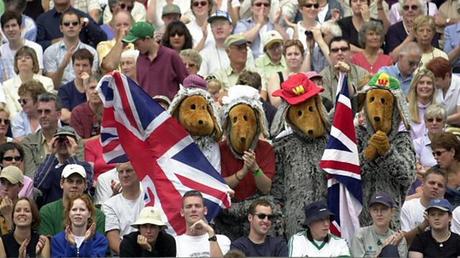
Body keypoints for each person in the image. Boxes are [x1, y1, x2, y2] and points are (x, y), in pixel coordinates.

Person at [22, 93, 84, 177]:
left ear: (58, 115)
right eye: (40, 112)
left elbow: (81, 173)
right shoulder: (28, 142)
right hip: (40, 188)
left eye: (47, 111)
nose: (43, 115)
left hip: (70, 186)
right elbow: (31, 177)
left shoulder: (72, 137)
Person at [122, 21, 188, 100]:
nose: (135, 48)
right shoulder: (140, 59)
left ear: (147, 39)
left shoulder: (171, 56)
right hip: (147, 110)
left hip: (168, 109)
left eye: (137, 43)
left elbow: (187, 83)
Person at [38, 163, 105, 237]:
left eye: (79, 182)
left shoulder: (97, 215)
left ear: (85, 185)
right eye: (70, 181)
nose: (74, 185)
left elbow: (99, 245)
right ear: (61, 183)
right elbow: (46, 243)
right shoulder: (47, 211)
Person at [33, 127, 92, 207]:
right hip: (52, 210)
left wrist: (72, 156)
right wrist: (51, 154)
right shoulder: (48, 165)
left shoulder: (84, 166)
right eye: (60, 141)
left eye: (68, 141)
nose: (64, 144)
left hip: (77, 208)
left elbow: (86, 186)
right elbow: (39, 186)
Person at [43, 9, 99, 88]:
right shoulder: (50, 51)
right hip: (59, 95)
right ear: (61, 28)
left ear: (80, 27)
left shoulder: (91, 52)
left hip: (84, 93)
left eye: (75, 23)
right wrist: (62, 66)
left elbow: (92, 82)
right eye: (66, 24)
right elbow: (53, 85)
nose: (71, 26)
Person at [102, 161, 144, 255]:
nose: (124, 175)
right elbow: (113, 241)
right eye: (121, 172)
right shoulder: (109, 205)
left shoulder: (148, 197)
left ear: (138, 171)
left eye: (129, 171)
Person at [351, 192, 408, 257]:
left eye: (383, 209)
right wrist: (383, 248)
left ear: (392, 212)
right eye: (375, 210)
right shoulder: (360, 235)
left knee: (390, 250)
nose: (379, 214)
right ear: (370, 212)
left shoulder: (398, 238)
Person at [175, 190, 231, 257]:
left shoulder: (222, 240)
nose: (193, 209)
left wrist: (211, 232)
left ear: (205, 210)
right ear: (182, 212)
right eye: (189, 206)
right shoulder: (175, 243)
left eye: (197, 206)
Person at [3, 47, 54, 120]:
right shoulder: (7, 85)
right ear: (16, 63)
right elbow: (12, 113)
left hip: (42, 120)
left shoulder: (47, 82)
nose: (23, 60)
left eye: (27, 57)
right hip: (17, 123)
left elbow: (48, 107)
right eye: (19, 58)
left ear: (34, 62)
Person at [400, 167, 447, 244]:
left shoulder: (448, 213)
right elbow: (403, 241)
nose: (435, 187)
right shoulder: (407, 207)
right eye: (432, 183)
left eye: (440, 185)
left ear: (445, 191)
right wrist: (424, 225)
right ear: (422, 185)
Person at [35, 0, 106, 50]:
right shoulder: (42, 19)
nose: (71, 26)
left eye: (74, 24)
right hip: (53, 64)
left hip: (80, 62)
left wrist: (88, 24)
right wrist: (53, 42)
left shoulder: (81, 16)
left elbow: (102, 39)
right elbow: (37, 45)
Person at [320, 36, 369, 105]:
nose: (340, 53)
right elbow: (326, 107)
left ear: (350, 53)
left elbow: (362, 103)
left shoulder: (363, 74)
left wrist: (344, 75)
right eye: (335, 50)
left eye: (343, 49)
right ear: (330, 55)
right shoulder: (322, 76)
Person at [0, 11, 43, 83]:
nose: (11, 29)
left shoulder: (35, 48)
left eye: (14, 25)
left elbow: (38, 75)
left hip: (31, 88)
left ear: (20, 27)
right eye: (7, 26)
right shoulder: (1, 50)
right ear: (3, 31)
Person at [57, 49, 94, 124]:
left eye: (85, 65)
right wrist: (86, 118)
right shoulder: (64, 89)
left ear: (91, 67)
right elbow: (64, 116)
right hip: (71, 130)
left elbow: (95, 113)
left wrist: (87, 87)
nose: (81, 69)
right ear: (73, 66)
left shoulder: (98, 88)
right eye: (77, 65)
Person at [265, 40, 304, 107]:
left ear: (302, 57)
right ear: (284, 57)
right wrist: (289, 85)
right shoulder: (276, 77)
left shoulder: (306, 76)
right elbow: (275, 103)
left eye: (296, 54)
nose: (293, 57)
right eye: (289, 54)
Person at [426, 57, 460, 127]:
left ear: (447, 76)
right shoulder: (433, 85)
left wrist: (440, 120)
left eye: (436, 80)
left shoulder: (458, 84)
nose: (433, 83)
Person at [431, 132, 460, 205]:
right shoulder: (434, 172)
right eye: (433, 154)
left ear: (452, 152)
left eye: (439, 153)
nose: (435, 157)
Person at [407, 69, 436, 140]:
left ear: (433, 88)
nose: (425, 86)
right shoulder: (405, 109)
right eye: (421, 83)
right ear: (415, 86)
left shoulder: (439, 110)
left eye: (429, 83)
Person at [255, 30, 286, 95]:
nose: (276, 50)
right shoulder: (259, 62)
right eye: (272, 47)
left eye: (278, 46)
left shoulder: (287, 59)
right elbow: (262, 85)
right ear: (265, 50)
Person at [0, 166, 26, 235]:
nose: (5, 188)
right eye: (2, 182)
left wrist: (8, 216)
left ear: (20, 187)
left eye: (11, 184)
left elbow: (16, 243)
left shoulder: (25, 210)